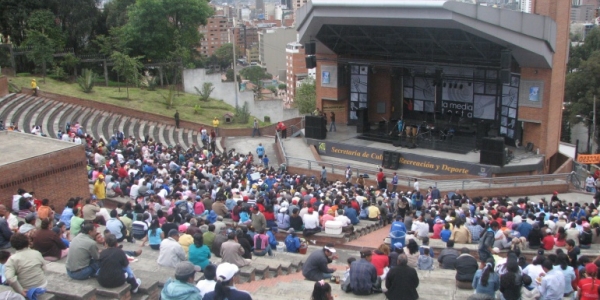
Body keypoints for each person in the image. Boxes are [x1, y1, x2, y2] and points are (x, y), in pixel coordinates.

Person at [5, 233, 46, 298]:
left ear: (12, 245)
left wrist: (20, 290)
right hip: (42, 285)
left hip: (26, 290)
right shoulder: (37, 253)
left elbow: (9, 278)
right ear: (27, 242)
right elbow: (44, 268)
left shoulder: (12, 259)